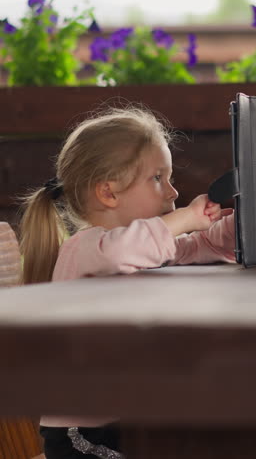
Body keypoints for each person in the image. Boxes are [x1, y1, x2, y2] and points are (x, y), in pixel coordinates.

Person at [19, 106, 235, 459]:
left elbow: (198, 246)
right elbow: (124, 251)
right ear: (109, 193)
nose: (173, 192)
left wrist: (234, 223)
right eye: (157, 178)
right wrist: (185, 218)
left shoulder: (145, 247)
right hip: (83, 433)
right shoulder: (87, 249)